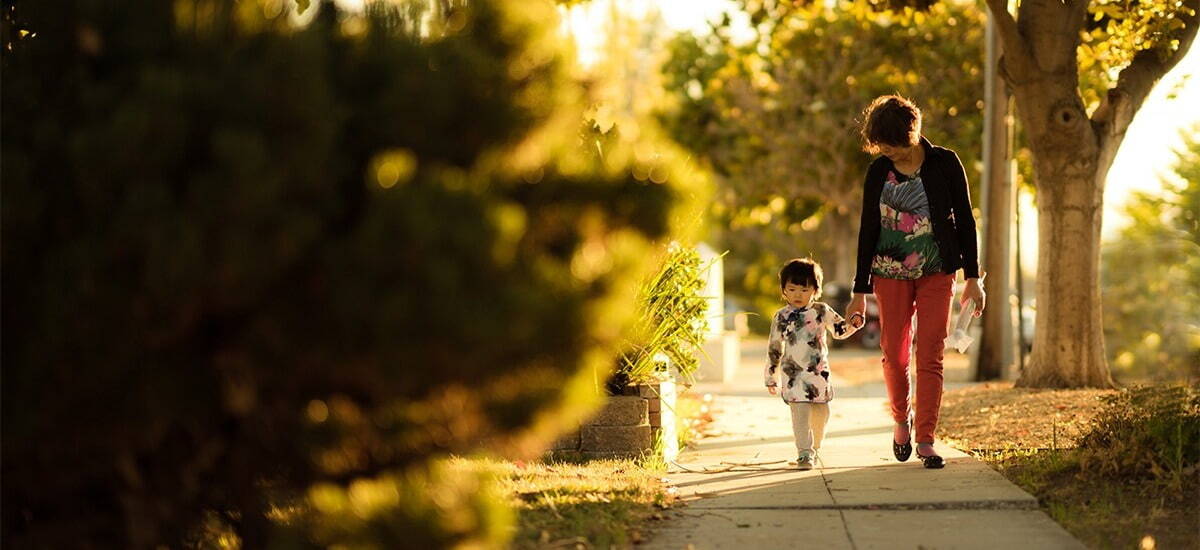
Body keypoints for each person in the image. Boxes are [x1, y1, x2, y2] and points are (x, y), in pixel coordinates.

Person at [845, 95, 986, 469]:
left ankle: (926, 438)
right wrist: (859, 291)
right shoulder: (878, 171)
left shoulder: (945, 163)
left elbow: (966, 222)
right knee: (894, 352)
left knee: (930, 352)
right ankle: (900, 420)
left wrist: (973, 277)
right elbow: (868, 229)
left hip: (938, 270)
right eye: (881, 148)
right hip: (888, 272)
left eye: (891, 146)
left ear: (912, 135)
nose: (886, 153)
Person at [765, 258, 860, 470]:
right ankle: (804, 452)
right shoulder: (781, 317)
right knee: (799, 414)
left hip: (818, 374)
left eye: (804, 289)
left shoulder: (821, 311)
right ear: (784, 291)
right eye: (792, 289)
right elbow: (774, 347)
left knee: (821, 413)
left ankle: (815, 446)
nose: (798, 294)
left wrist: (853, 325)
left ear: (815, 290)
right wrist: (771, 376)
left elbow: (838, 330)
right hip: (793, 375)